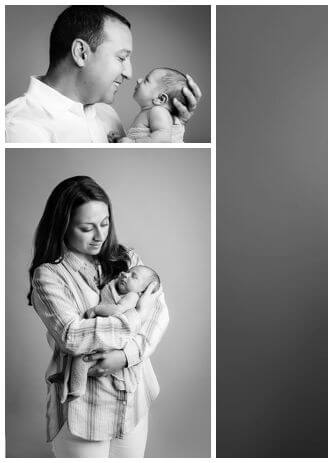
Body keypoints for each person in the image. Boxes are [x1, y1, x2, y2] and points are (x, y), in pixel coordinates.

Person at [28, 176, 170, 457]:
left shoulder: (127, 259)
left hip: (133, 401)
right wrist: (135, 316)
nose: (99, 236)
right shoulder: (49, 275)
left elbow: (159, 314)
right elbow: (72, 335)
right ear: (63, 226)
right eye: (86, 228)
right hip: (85, 411)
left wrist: (126, 355)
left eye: (104, 224)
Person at [5, 6, 202, 142]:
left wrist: (175, 124)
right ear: (81, 53)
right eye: (121, 58)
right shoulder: (20, 128)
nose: (130, 73)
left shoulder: (107, 114)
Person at [68, 264, 161, 402]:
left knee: (81, 359)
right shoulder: (120, 290)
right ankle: (73, 386)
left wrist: (97, 309)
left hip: (114, 338)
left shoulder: (133, 296)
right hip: (109, 336)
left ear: (144, 291)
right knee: (82, 361)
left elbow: (118, 310)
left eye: (133, 276)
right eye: (128, 272)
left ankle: (76, 389)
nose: (125, 274)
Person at [121, 68, 188, 142]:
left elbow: (162, 140)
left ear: (160, 99)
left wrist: (132, 143)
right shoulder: (152, 113)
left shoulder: (158, 111)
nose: (139, 80)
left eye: (146, 80)